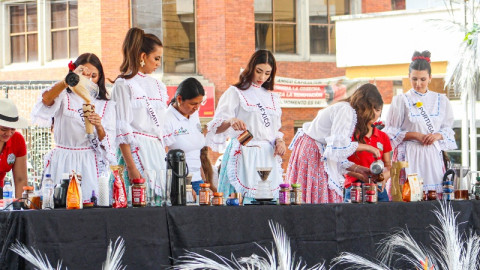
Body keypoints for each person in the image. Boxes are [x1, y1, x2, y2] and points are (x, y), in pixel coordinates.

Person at [31, 53, 116, 202]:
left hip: (89, 161)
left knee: (89, 206)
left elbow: (109, 145)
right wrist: (67, 81)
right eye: (84, 75)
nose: (89, 80)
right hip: (63, 159)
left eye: (94, 76)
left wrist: (99, 126)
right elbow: (46, 100)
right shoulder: (64, 95)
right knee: (59, 205)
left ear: (100, 77)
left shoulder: (106, 104)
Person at [206, 50, 286, 202]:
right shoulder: (236, 92)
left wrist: (279, 141)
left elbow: (275, 130)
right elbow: (215, 128)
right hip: (243, 151)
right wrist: (230, 121)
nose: (262, 77)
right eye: (259, 71)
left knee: (268, 200)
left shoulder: (273, 97)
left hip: (267, 156)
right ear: (251, 68)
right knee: (238, 201)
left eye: (267, 73)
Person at [286, 83, 382, 203]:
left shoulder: (345, 109)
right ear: (366, 106)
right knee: (319, 200)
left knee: (320, 198)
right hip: (313, 152)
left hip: (313, 150)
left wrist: (359, 171)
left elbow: (336, 156)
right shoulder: (346, 110)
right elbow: (337, 149)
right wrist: (369, 148)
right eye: (374, 111)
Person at [384, 50, 457, 194]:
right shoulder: (401, 101)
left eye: (423, 79)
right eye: (414, 79)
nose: (418, 84)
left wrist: (437, 135)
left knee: (433, 196)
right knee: (407, 194)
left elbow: (448, 129)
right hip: (408, 154)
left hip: (431, 155)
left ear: (430, 78)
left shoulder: (441, 101)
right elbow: (390, 132)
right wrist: (415, 135)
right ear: (409, 77)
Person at [111, 27, 168, 193]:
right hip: (135, 151)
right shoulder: (123, 84)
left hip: (155, 152)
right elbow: (122, 129)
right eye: (156, 58)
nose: (158, 63)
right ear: (143, 56)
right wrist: (131, 167)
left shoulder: (158, 86)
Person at [343, 90, 392, 202]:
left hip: (378, 187)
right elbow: (341, 165)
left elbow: (389, 166)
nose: (374, 113)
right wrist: (360, 175)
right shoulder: (350, 134)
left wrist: (384, 178)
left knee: (384, 218)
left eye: (378, 110)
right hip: (354, 187)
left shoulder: (383, 136)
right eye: (370, 109)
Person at [163, 78, 206, 195]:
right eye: (193, 104)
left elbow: (195, 151)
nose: (197, 107)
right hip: (178, 182)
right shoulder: (166, 119)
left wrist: (204, 182)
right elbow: (165, 157)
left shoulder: (194, 114)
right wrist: (184, 184)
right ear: (179, 99)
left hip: (198, 180)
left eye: (199, 103)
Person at [0, 99, 28, 198]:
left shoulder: (17, 139)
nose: (8, 133)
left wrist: (20, 206)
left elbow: (21, 179)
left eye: (12, 129)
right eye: (3, 129)